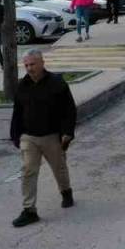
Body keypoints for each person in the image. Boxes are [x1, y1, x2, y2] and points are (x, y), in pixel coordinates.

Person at [9, 50, 78, 227]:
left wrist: (67, 132)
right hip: (29, 137)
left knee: (59, 168)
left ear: (42, 63)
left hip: (52, 136)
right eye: (26, 65)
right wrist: (15, 134)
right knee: (28, 171)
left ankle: (66, 192)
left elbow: (69, 110)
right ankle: (29, 210)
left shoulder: (57, 83)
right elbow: (17, 112)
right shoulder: (22, 86)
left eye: (32, 64)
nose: (29, 68)